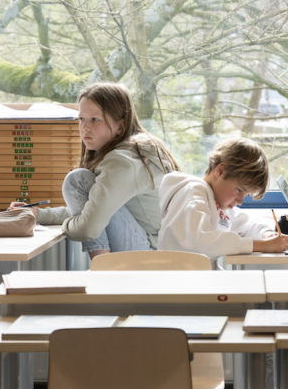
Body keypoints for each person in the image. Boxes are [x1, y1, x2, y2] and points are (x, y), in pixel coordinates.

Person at [21, 82, 180, 259]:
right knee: (87, 199)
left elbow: (87, 228)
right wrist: (37, 214)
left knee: (78, 180)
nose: (84, 128)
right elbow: (95, 209)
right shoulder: (138, 148)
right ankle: (105, 271)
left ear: (120, 126)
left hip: (152, 256)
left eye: (94, 120)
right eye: (81, 119)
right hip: (162, 252)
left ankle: (103, 272)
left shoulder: (122, 161)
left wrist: (66, 226)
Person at [157, 136, 288, 260]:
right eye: (239, 190)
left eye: (245, 195)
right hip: (178, 281)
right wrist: (262, 245)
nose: (240, 201)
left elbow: (247, 224)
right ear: (220, 171)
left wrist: (266, 234)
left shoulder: (218, 203)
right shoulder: (193, 193)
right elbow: (203, 241)